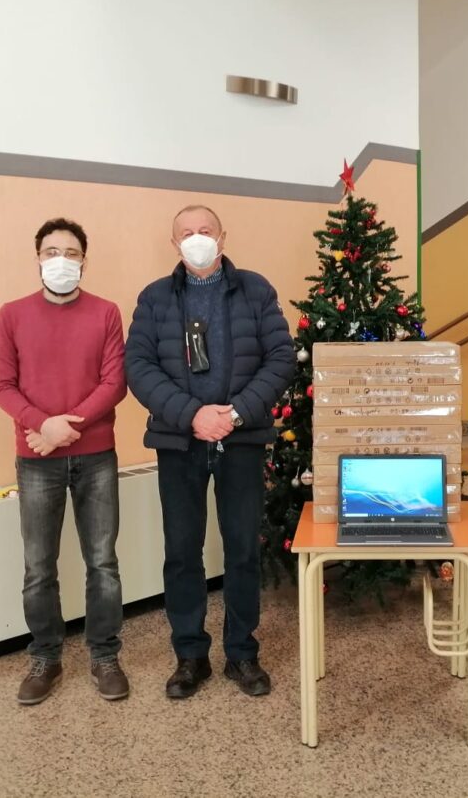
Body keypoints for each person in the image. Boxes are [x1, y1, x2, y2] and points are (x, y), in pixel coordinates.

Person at [125, 205, 294, 699]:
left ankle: (242, 653)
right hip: (180, 442)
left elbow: (280, 357)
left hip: (241, 439)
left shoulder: (256, 290)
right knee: (182, 551)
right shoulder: (154, 298)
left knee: (242, 549)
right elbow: (139, 366)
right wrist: (193, 416)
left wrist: (235, 413)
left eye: (205, 231)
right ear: (172, 243)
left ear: (223, 236)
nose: (196, 239)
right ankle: (190, 655)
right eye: (186, 233)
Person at [0, 218, 129, 704]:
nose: (61, 260)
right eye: (52, 251)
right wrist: (41, 425)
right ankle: (45, 656)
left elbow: (115, 384)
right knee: (37, 566)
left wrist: (63, 427)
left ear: (84, 260)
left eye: (71, 252)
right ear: (37, 258)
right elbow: (3, 386)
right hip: (35, 460)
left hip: (95, 457)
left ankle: (104, 654)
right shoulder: (11, 315)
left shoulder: (107, 312)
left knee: (103, 563)